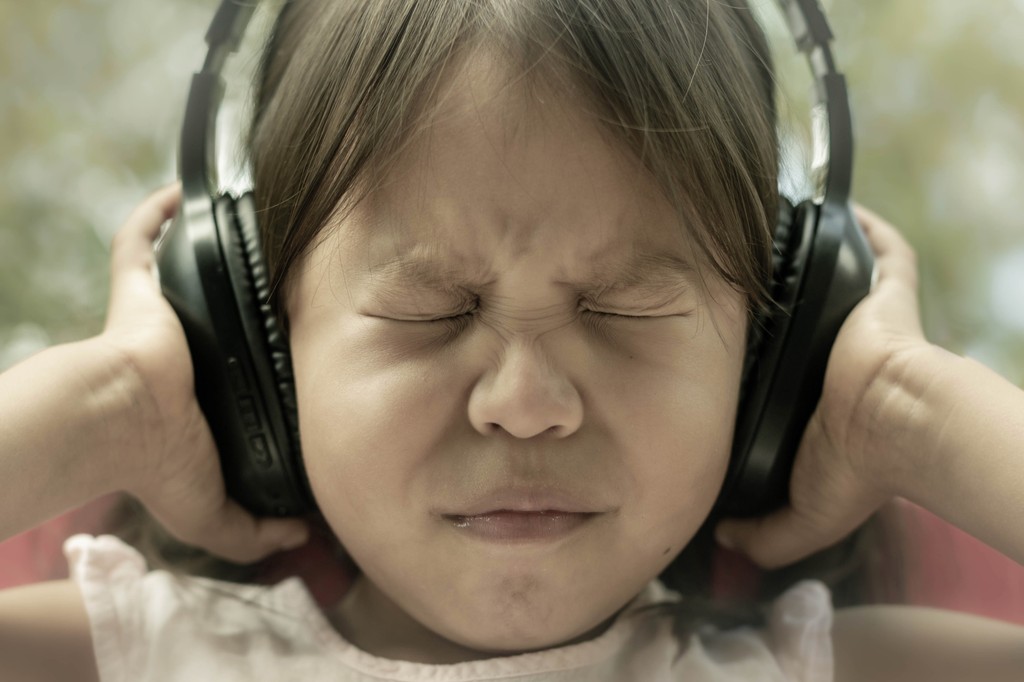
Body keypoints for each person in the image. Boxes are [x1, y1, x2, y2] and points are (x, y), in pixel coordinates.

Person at [1, 0, 1023, 680]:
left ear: (773, 359)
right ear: (255, 353)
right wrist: (113, 404)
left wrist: (904, 410)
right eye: (429, 311)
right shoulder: (151, 656)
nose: (526, 402)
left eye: (624, 309)